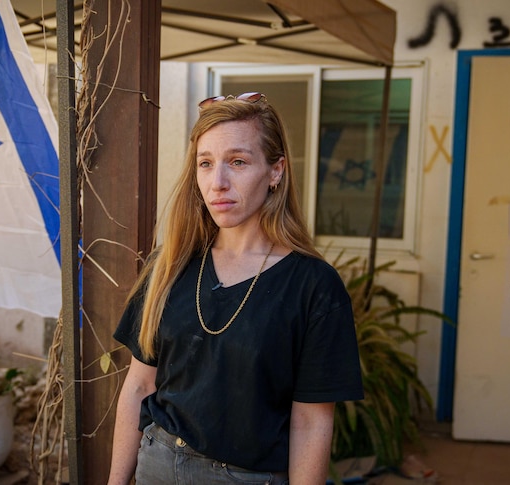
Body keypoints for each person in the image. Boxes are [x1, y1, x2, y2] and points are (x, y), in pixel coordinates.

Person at [107, 92, 363, 484]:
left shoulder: (314, 287)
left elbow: (311, 421)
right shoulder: (170, 264)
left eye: (238, 162)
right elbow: (140, 384)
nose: (218, 182)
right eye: (205, 164)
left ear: (276, 171)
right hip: (155, 465)